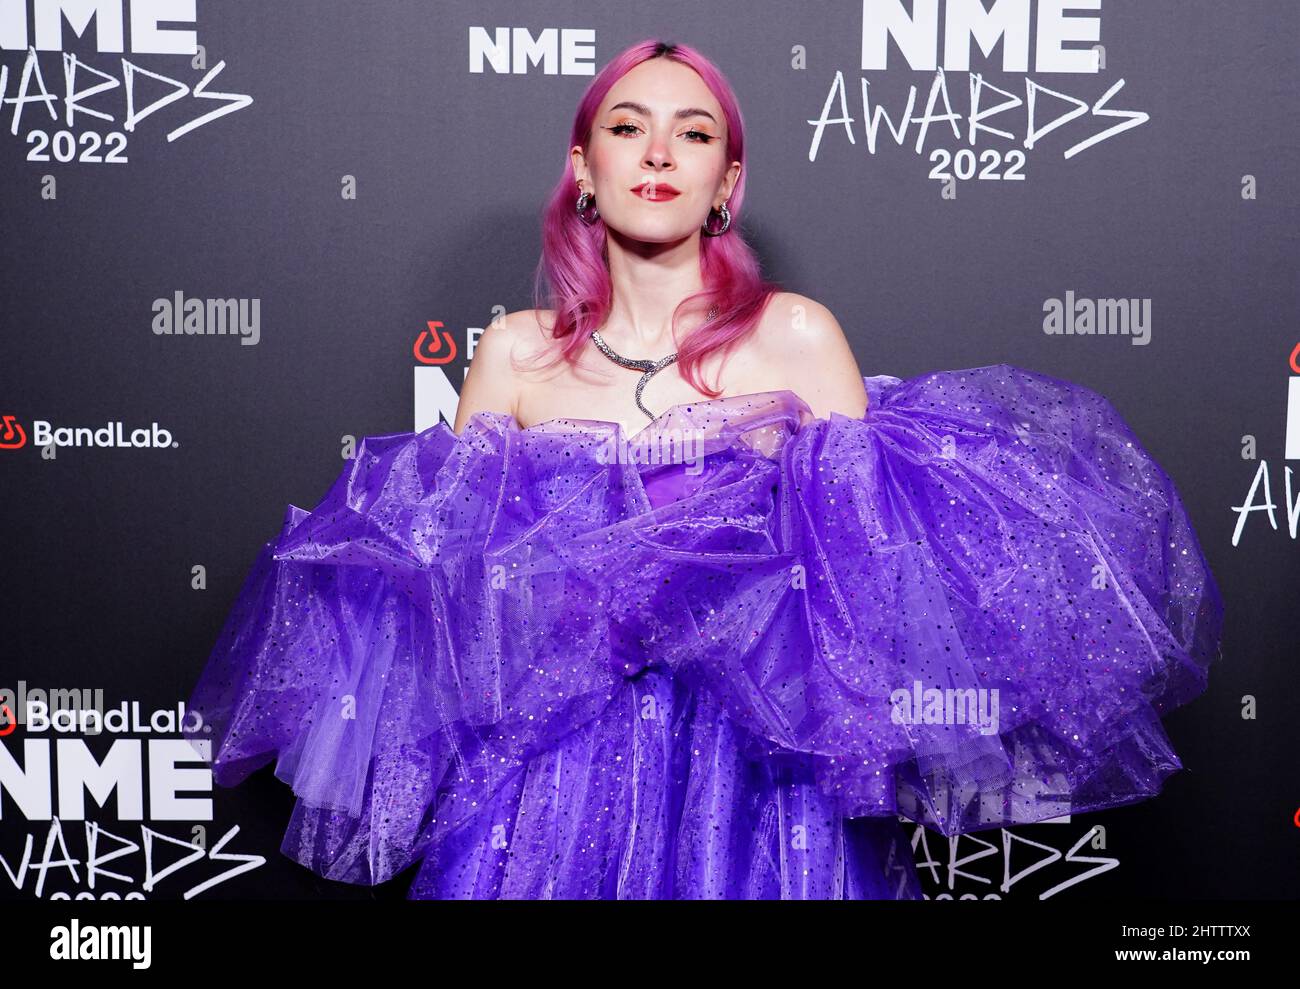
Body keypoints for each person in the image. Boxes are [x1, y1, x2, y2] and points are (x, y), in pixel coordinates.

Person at [184, 39, 1224, 900]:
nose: (658, 152)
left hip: (760, 786)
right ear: (582, 168)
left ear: (727, 182)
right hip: (551, 789)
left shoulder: (797, 339)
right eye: (627, 127)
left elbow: (875, 596)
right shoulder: (511, 349)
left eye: (695, 134)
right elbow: (457, 603)